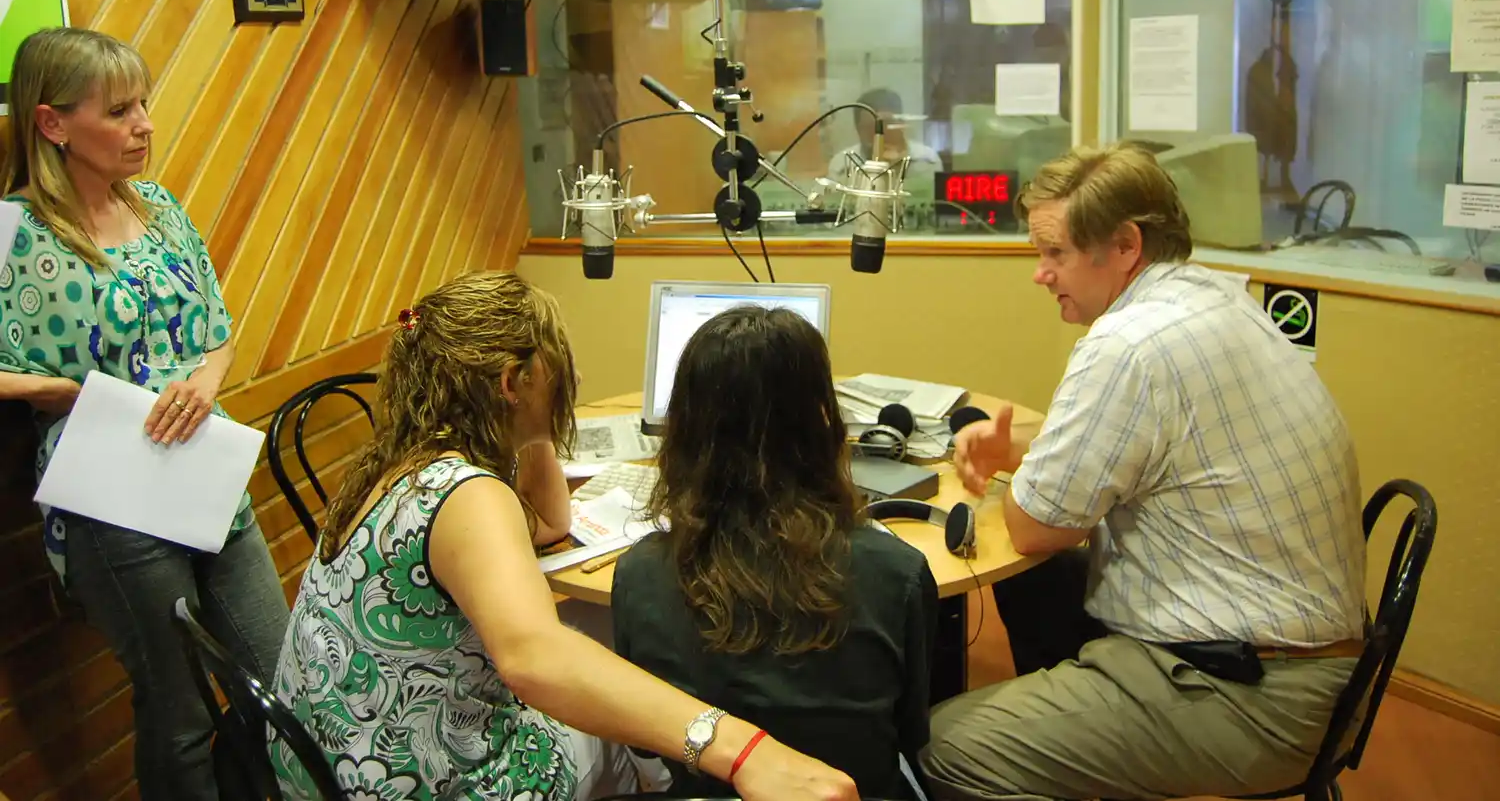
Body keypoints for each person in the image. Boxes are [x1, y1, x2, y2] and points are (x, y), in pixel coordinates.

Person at [271, 272, 858, 801]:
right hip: (421, 781)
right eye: (555, 368)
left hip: (336, 762)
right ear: (513, 380)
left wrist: (531, 428)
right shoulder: (469, 496)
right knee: (631, 733)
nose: (571, 379)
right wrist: (744, 749)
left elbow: (550, 524)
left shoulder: (402, 464)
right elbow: (534, 657)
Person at [921, 141, 1367, 801]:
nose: (1040, 273)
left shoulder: (1130, 344)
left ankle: (1074, 747)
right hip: (1310, 654)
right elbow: (1157, 451)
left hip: (1254, 695)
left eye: (1056, 253)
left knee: (941, 748)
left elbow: (1035, 528)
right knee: (1034, 588)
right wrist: (1028, 457)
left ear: (1126, 244)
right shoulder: (1216, 299)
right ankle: (1076, 744)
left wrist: (1026, 477)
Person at [0, 27, 289, 799]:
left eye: (144, 104)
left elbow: (218, 329)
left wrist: (206, 379)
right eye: (120, 110)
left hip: (206, 470)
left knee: (282, 677)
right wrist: (55, 394)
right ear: (53, 124)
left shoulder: (157, 207)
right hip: (112, 496)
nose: (144, 125)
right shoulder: (15, 233)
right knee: (181, 707)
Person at [611, 305, 939, 799]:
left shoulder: (638, 575)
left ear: (685, 431)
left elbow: (649, 747)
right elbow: (911, 732)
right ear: (823, 423)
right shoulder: (898, 571)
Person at [827, 88, 942, 183]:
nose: (881, 134)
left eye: (887, 124)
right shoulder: (842, 166)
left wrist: (897, 168)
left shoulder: (927, 161)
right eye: (871, 127)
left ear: (901, 123)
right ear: (858, 130)